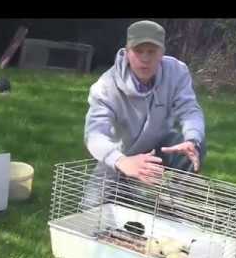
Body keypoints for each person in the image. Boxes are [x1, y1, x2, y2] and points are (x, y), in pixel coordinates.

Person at [84, 20, 206, 185]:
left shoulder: (177, 72)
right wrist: (122, 162)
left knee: (192, 146)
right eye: (138, 51)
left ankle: (175, 203)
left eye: (152, 51)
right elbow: (94, 135)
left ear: (162, 53)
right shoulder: (106, 87)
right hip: (122, 155)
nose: (145, 58)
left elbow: (190, 110)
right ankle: (128, 186)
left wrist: (192, 139)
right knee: (94, 207)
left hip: (160, 145)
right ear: (127, 52)